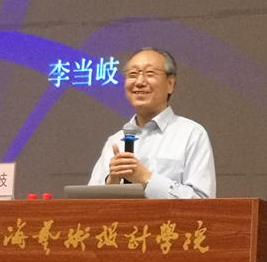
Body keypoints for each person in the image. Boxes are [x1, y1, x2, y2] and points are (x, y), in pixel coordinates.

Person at [88, 47, 216, 199]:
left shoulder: (192, 134)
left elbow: (203, 201)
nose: (139, 82)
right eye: (133, 74)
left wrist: (146, 178)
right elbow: (88, 205)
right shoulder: (115, 141)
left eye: (149, 74)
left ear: (170, 84)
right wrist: (112, 182)